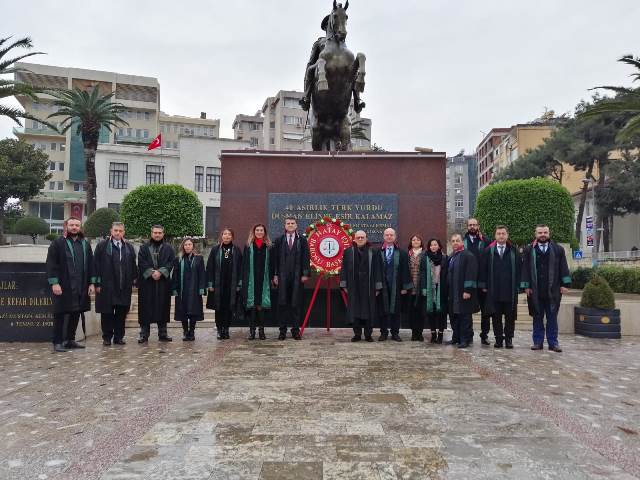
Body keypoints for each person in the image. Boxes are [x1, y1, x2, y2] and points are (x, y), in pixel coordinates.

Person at [46, 217, 94, 352]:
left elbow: (91, 264)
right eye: (71, 225)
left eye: (77, 225)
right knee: (60, 313)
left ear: (80, 227)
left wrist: (91, 283)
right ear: (66, 226)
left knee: (76, 312)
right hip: (64, 285)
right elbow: (51, 264)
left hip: (81, 285)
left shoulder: (84, 244)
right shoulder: (58, 243)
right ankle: (57, 342)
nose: (74, 227)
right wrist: (54, 283)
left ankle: (69, 340)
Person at [521, 224, 571, 352]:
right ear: (535, 234)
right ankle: (537, 342)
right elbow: (525, 269)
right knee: (537, 317)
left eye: (545, 232)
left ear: (549, 233)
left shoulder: (558, 249)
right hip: (535, 290)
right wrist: (526, 286)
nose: (543, 235)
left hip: (553, 290)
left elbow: (563, 267)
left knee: (552, 317)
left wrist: (565, 284)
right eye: (540, 233)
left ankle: (553, 342)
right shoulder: (528, 250)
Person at [93, 222, 137, 346]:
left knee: (121, 313)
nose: (118, 233)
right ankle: (107, 337)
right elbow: (95, 264)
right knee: (106, 313)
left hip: (123, 286)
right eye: (116, 230)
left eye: (120, 231)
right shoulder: (102, 246)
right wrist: (97, 284)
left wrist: (134, 279)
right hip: (107, 286)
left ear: (124, 232)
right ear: (111, 231)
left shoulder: (128, 247)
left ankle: (119, 337)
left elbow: (133, 264)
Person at [479, 226, 520, 349]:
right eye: (499, 234)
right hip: (494, 291)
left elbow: (519, 269)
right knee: (496, 317)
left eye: (503, 233)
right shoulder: (488, 251)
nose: (501, 236)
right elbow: (483, 270)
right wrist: (484, 285)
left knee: (510, 317)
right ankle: (498, 339)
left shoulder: (514, 251)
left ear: (507, 235)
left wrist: (519, 286)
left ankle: (508, 339)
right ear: (495, 236)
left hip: (509, 291)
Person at [272, 217, 310, 340]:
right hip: (282, 277)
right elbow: (275, 260)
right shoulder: (279, 240)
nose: (290, 225)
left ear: (296, 225)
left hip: (297, 277)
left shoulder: (302, 240)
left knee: (296, 304)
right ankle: (282, 330)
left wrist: (305, 274)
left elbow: (306, 257)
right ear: (285, 225)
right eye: (288, 223)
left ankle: (295, 330)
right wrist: (275, 275)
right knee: (282, 304)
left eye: (292, 223)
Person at [340, 230, 383, 342]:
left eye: (362, 237)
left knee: (369, 309)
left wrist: (378, 287)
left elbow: (378, 269)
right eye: (358, 237)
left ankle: (368, 334)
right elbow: (344, 268)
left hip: (369, 285)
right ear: (354, 239)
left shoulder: (373, 251)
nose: (360, 239)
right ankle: (357, 334)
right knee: (355, 310)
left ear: (366, 238)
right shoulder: (348, 252)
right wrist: (344, 284)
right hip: (354, 285)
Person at [137, 225, 175, 343]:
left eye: (159, 233)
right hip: (147, 283)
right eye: (155, 232)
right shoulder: (144, 247)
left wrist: (161, 272)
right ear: (151, 233)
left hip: (163, 283)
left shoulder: (169, 248)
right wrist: (151, 272)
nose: (157, 235)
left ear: (163, 234)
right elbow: (141, 262)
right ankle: (144, 334)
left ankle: (163, 333)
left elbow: (171, 262)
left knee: (163, 307)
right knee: (145, 307)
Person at [206, 228, 242, 341]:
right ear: (221, 236)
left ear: (232, 237)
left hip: (231, 284)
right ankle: (219, 329)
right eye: (225, 234)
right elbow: (210, 267)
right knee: (219, 307)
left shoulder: (236, 250)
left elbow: (240, 268)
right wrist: (210, 284)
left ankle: (226, 329)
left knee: (229, 307)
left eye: (229, 234)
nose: (226, 236)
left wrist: (239, 284)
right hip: (218, 284)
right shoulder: (215, 250)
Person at [378, 228, 412, 342]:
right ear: (383, 237)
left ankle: (395, 333)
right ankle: (383, 332)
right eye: (387, 235)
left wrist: (404, 287)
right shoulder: (378, 252)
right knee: (382, 310)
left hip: (396, 286)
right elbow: (375, 271)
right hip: (382, 286)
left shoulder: (401, 253)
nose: (389, 237)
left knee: (396, 310)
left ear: (395, 237)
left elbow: (405, 270)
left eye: (391, 235)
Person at [446, 233, 479, 348]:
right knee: (454, 316)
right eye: (453, 241)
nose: (455, 243)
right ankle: (456, 337)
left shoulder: (468, 255)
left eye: (457, 240)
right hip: (453, 293)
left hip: (463, 292)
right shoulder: (451, 256)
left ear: (462, 242)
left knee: (465, 317)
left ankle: (465, 339)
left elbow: (471, 274)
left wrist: (468, 290)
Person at [464, 218, 492, 345]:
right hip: (468, 281)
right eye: (470, 225)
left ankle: (484, 335)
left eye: (474, 225)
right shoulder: (462, 241)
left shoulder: (485, 241)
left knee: (485, 310)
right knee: (468, 310)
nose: (472, 227)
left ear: (478, 226)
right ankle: (468, 335)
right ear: (467, 227)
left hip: (482, 281)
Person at [241, 224, 272, 340]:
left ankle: (261, 331)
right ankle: (252, 331)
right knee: (252, 306)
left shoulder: (268, 246)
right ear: (254, 232)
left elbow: (272, 264)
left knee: (261, 306)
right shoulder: (248, 246)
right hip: (251, 280)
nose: (259, 232)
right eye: (257, 230)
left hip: (263, 280)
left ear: (264, 232)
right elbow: (244, 264)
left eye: (261, 230)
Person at [171, 238, 206, 341]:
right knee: (183, 311)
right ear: (183, 246)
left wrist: (201, 288)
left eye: (189, 244)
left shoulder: (199, 259)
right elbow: (175, 275)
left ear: (193, 246)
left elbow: (202, 274)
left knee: (194, 311)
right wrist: (174, 288)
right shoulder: (178, 259)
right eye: (185, 244)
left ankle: (192, 331)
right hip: (182, 290)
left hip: (194, 290)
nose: (187, 246)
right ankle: (185, 331)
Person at [421, 238, 448, 344]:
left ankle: (440, 334)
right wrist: (424, 288)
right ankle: (433, 334)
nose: (433, 246)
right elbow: (422, 274)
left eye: (435, 244)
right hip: (429, 288)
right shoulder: (425, 258)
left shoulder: (445, 257)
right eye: (431, 245)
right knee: (431, 313)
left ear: (439, 246)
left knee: (441, 313)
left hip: (441, 288)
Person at [407, 234, 426, 341]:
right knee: (412, 312)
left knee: (420, 312)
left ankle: (420, 333)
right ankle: (414, 333)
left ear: (421, 242)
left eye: (418, 239)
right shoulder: (407, 254)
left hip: (421, 288)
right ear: (411, 242)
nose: (415, 241)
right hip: (410, 289)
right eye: (413, 240)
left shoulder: (425, 254)